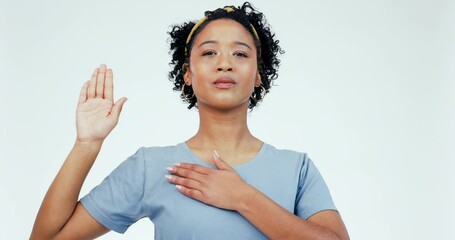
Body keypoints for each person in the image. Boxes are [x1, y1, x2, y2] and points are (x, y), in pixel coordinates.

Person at [31, 2, 349, 239]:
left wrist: (242, 197)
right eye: (209, 53)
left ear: (258, 76)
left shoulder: (297, 169)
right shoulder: (152, 167)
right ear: (187, 74)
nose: (224, 64)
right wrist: (87, 144)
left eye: (240, 54)